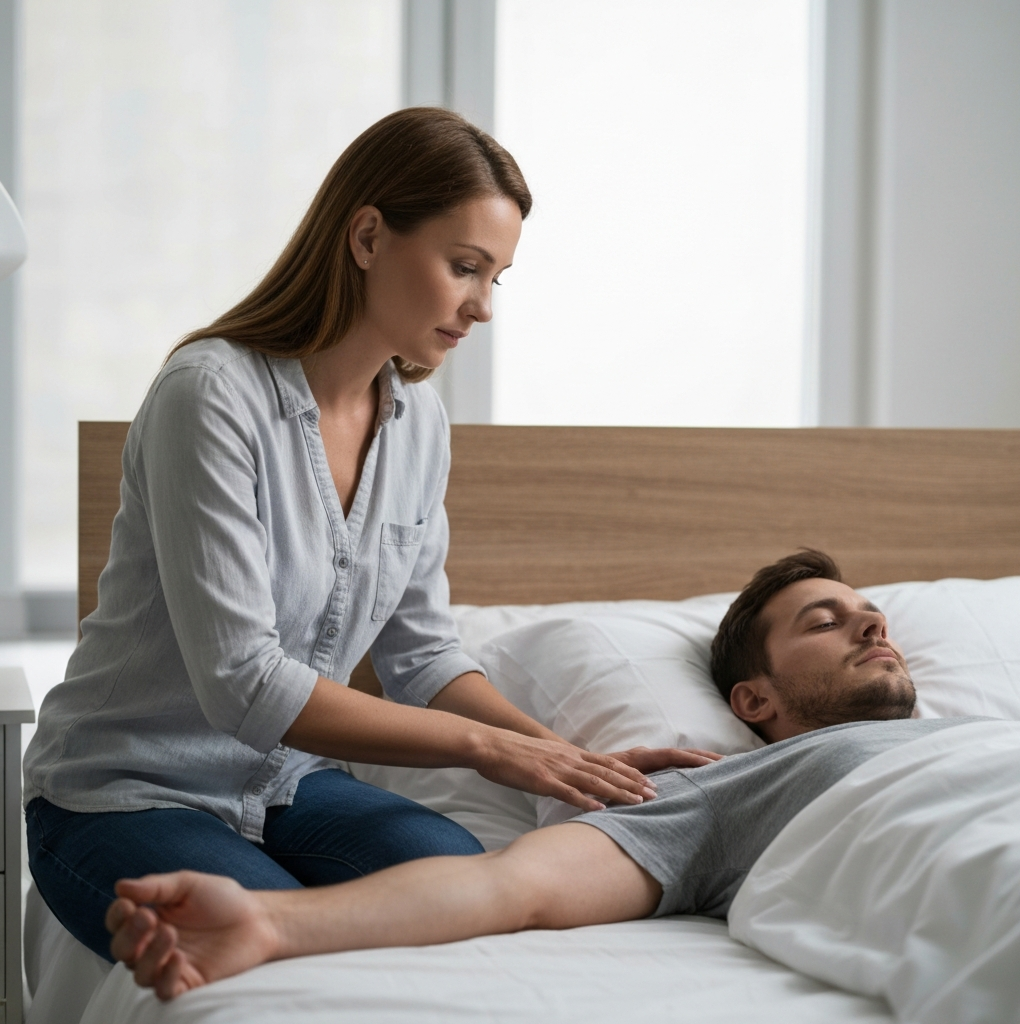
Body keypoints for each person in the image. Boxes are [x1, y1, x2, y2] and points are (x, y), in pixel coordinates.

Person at [25, 108, 714, 962]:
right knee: (276, 951)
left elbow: (421, 656)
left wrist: (567, 759)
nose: (484, 307)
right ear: (366, 237)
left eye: (497, 277)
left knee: (466, 900)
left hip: (288, 787)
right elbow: (246, 684)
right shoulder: (209, 396)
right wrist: (493, 751)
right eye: (465, 267)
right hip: (130, 791)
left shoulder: (418, 424)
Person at [107, 548, 987, 1001]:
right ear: (752, 700)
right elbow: (513, 886)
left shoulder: (990, 735)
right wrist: (267, 922)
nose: (873, 630)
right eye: (827, 622)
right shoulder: (730, 787)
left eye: (874, 618)